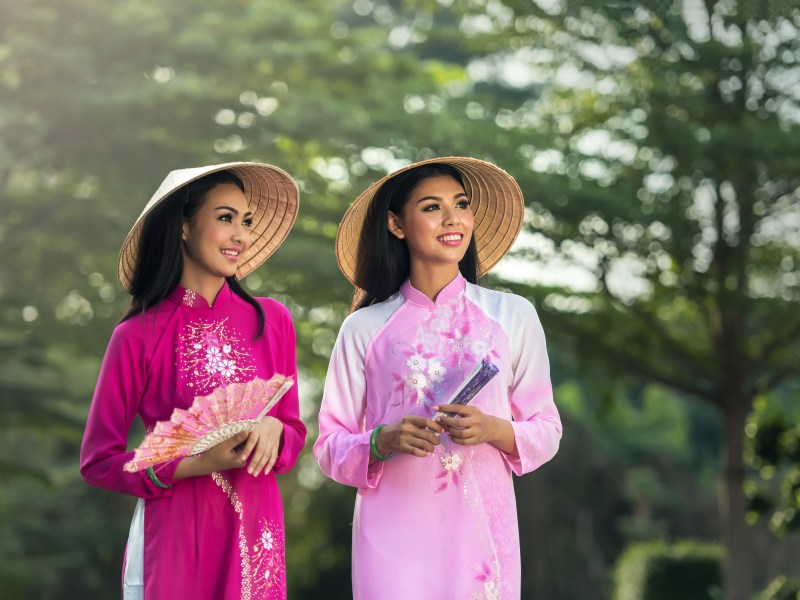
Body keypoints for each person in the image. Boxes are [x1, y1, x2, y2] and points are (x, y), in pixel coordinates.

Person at [314, 157, 562, 599]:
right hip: (390, 538)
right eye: (432, 207)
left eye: (460, 204)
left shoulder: (512, 316)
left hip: (483, 534)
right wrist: (381, 440)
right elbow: (329, 446)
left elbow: (546, 431)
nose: (453, 219)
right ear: (396, 225)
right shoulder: (364, 328)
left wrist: (493, 429)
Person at [80, 162, 306, 600]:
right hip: (175, 530)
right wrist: (196, 463)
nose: (240, 234)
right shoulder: (138, 334)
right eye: (225, 218)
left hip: (255, 528)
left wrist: (276, 428)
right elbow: (97, 461)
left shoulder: (272, 321)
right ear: (183, 227)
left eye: (246, 222)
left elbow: (294, 433)